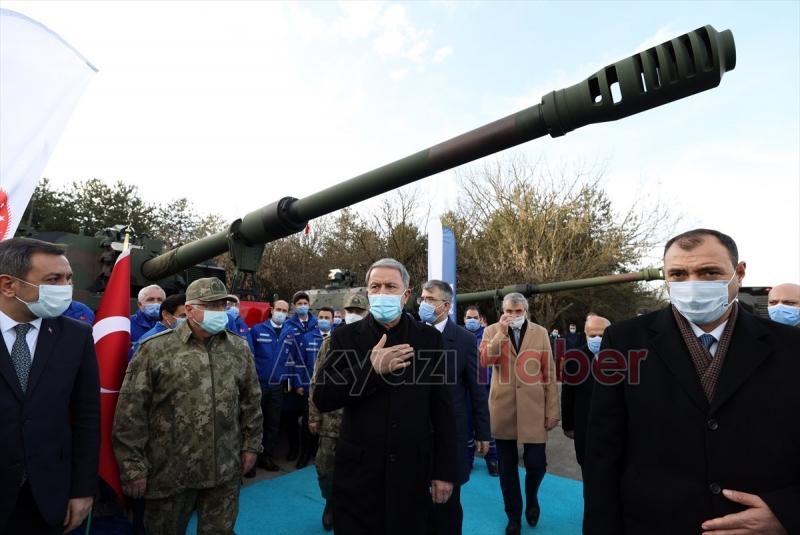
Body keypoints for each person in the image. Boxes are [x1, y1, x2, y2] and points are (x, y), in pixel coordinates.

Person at [584, 229, 800, 535]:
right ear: (665, 278)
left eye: (709, 272)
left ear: (739, 273)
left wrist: (787, 513)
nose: (692, 285)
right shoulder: (623, 341)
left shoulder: (791, 347)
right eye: (678, 274)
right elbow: (603, 450)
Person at [313, 258, 457, 535]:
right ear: (367, 292)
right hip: (358, 475)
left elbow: (443, 408)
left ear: (406, 295)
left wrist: (444, 471)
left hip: (411, 472)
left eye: (390, 287)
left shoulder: (428, 339)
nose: (382, 293)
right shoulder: (344, 337)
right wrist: (371, 369)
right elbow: (323, 396)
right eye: (375, 286)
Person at [112, 277, 263, 535]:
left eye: (222, 305)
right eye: (211, 306)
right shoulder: (155, 349)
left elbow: (251, 401)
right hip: (171, 473)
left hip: (224, 469)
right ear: (190, 310)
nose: (219, 312)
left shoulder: (238, 348)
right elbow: (131, 412)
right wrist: (132, 467)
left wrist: (251, 445)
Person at [0, 238, 99, 534]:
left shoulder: (77, 336)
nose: (65, 288)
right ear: (8, 285)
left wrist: (82, 489)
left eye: (68, 278)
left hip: (46, 496)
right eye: (53, 279)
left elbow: (87, 418)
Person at [479, 293, 559, 535]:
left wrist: (552, 410)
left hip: (534, 407)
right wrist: (501, 334)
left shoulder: (540, 332)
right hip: (503, 407)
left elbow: (549, 372)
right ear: (502, 312)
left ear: (525, 311)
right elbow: (484, 361)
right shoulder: (491, 331)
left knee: (537, 464)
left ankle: (532, 497)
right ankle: (513, 515)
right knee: (507, 467)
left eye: (518, 311)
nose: (513, 315)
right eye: (508, 311)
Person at [420, 281, 491, 535]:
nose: (424, 304)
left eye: (430, 299)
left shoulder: (464, 339)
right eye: (422, 298)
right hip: (415, 431)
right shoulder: (412, 334)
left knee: (446, 508)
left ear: (446, 305)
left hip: (450, 434)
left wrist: (483, 432)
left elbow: (476, 388)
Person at [309, 293, 370, 531]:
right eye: (350, 310)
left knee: (362, 471)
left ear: (367, 313)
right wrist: (314, 416)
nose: (354, 315)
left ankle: (355, 506)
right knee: (325, 469)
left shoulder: (375, 343)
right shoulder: (332, 342)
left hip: (363, 422)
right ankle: (331, 502)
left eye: (359, 311)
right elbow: (317, 381)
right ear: (343, 313)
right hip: (332, 421)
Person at [560, 314, 610, 473]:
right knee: (588, 472)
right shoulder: (574, 358)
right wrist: (568, 425)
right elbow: (567, 394)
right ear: (586, 334)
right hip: (584, 426)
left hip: (613, 429)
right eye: (592, 335)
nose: (597, 339)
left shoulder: (623, 357)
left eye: (601, 335)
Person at [247, 300, 292, 473]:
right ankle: (251, 461)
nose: (281, 313)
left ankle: (267, 457)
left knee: (273, 423)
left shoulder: (290, 332)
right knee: (254, 423)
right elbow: (249, 356)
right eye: (278, 309)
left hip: (277, 386)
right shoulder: (257, 330)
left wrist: (288, 380)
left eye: (284, 311)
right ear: (272, 310)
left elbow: (291, 358)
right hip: (259, 384)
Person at [291, 306, 335, 468]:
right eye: (321, 317)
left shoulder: (338, 338)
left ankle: (319, 453)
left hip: (330, 389)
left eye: (327, 317)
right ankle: (304, 454)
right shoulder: (307, 337)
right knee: (307, 423)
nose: (323, 320)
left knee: (326, 422)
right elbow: (299, 362)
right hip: (309, 388)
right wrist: (298, 384)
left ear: (332, 320)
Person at [282, 291, 318, 461]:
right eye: (299, 303)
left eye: (305, 303)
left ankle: (308, 450)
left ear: (309, 305)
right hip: (292, 375)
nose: (302, 306)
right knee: (290, 414)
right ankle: (293, 448)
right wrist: (295, 382)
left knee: (309, 417)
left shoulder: (317, 323)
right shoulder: (288, 325)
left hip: (311, 377)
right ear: (294, 306)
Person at [463, 305, 499, 477]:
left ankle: (493, 459)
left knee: (488, 426)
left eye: (475, 317)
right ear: (464, 319)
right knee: (466, 426)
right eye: (469, 317)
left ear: (481, 319)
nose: (472, 320)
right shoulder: (459, 336)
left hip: (485, 388)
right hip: (465, 390)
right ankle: (467, 460)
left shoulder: (488, 336)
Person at [129, 293, 186, 359]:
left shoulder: (183, 334)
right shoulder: (148, 341)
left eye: (190, 315)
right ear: (166, 315)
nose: (188, 319)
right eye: (183, 316)